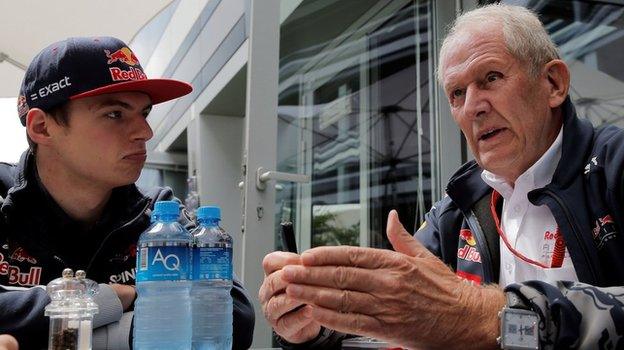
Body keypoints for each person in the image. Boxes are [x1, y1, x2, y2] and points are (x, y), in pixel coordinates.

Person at [260, 4, 624, 349]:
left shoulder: (614, 165)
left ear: (553, 84)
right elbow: (391, 310)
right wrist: (311, 323)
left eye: (491, 77)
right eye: (456, 94)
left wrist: (483, 316)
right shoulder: (459, 206)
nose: (472, 107)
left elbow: (464, 314)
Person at [0, 36, 255, 349]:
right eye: (114, 114)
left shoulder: (159, 214)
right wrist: (111, 300)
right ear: (42, 127)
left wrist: (88, 326)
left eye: (144, 113)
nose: (145, 133)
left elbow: (233, 319)